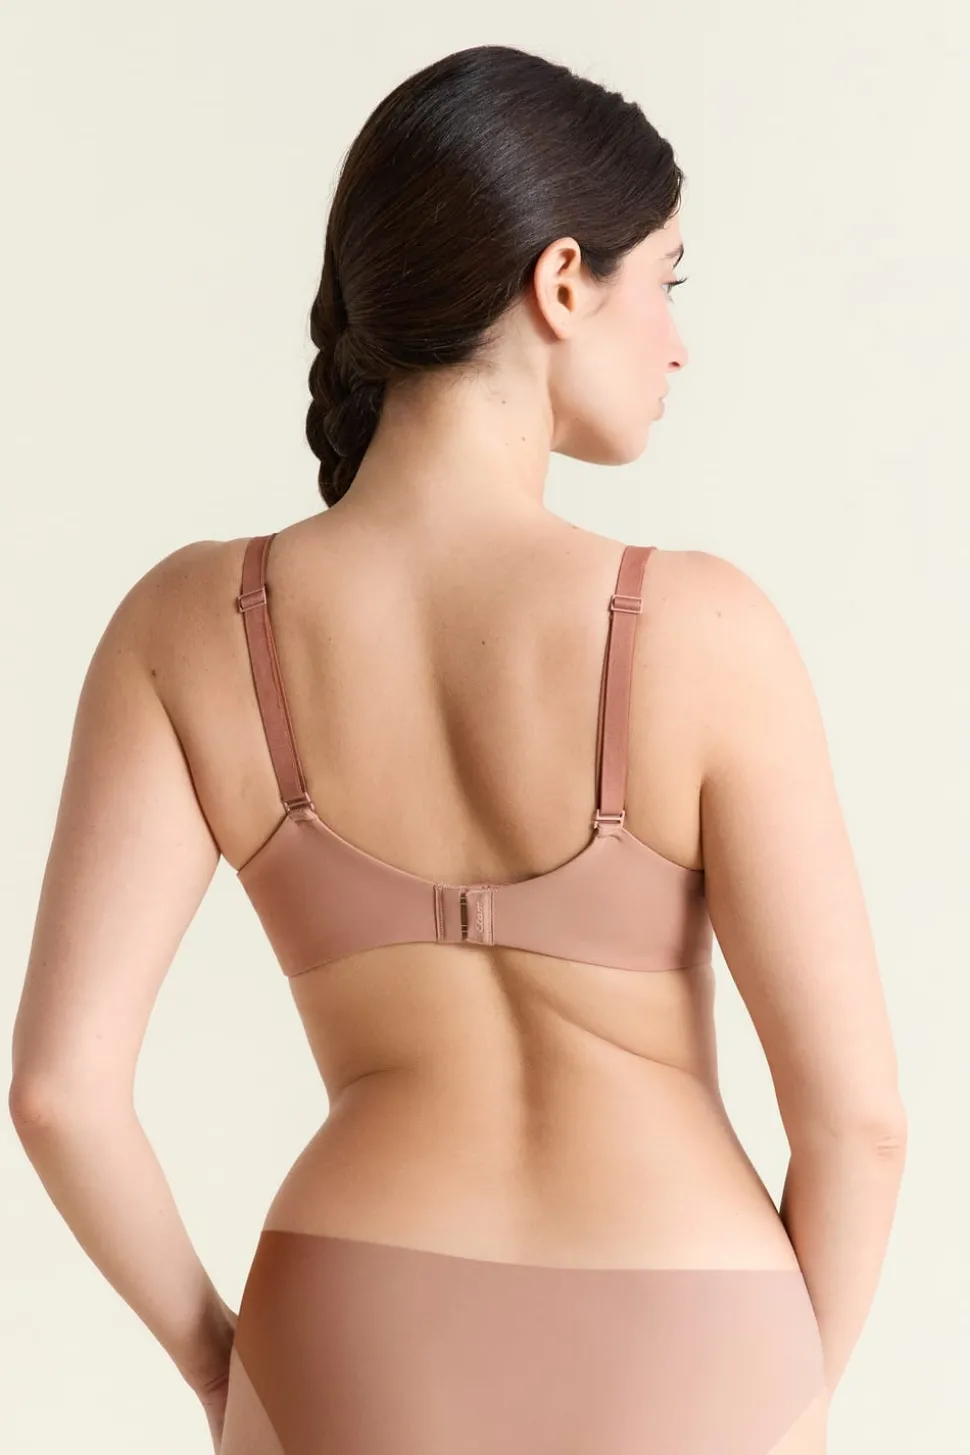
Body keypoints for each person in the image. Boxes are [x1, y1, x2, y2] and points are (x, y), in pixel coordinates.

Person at [8, 42, 906, 1455]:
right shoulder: (704, 629)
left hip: (350, 1325)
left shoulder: (192, 624)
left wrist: (223, 1366)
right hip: (687, 1322)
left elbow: (59, 1092)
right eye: (667, 279)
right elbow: (858, 1124)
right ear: (563, 282)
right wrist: (792, 1392)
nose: (676, 341)